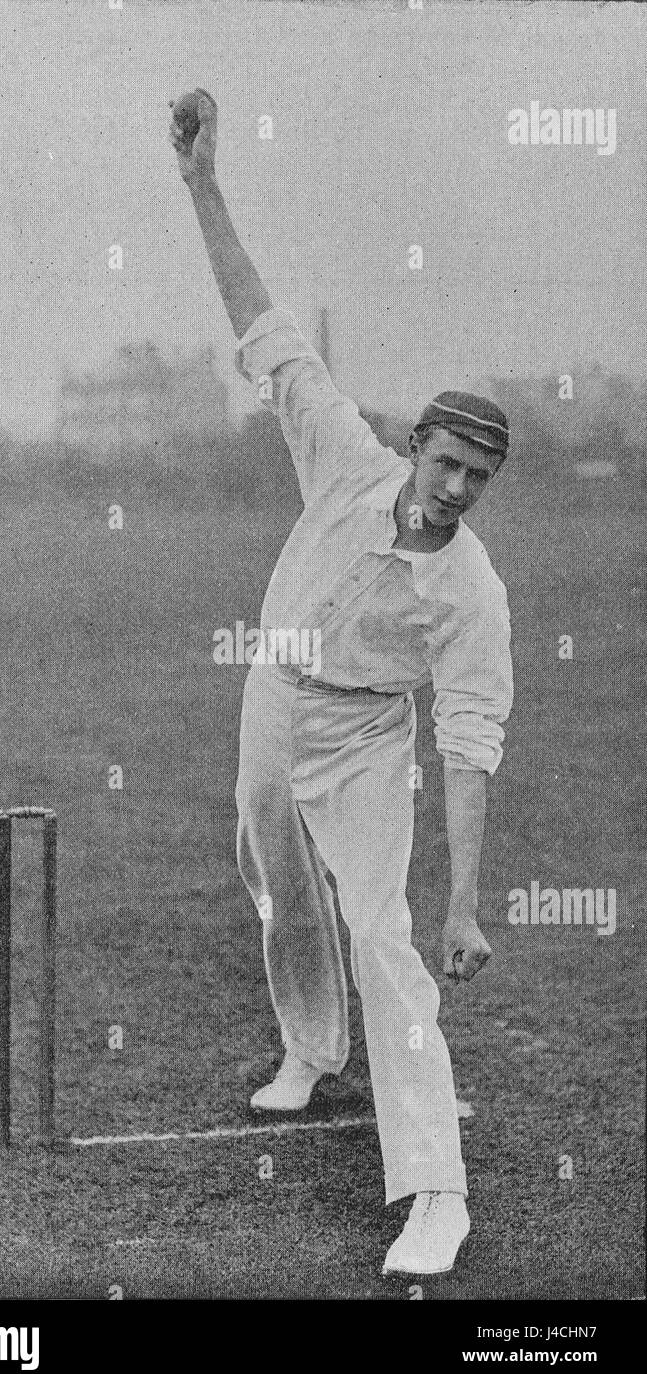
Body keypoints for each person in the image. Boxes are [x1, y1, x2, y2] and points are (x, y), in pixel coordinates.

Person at [170, 90, 513, 1277]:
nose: (459, 488)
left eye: (479, 476)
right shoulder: (340, 451)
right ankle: (310, 1048)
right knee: (269, 873)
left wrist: (467, 900)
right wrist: (202, 183)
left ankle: (435, 1190)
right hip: (277, 689)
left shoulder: (472, 593)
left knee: (385, 933)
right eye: (449, 461)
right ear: (415, 446)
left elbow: (469, 747)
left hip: (373, 736)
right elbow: (263, 326)